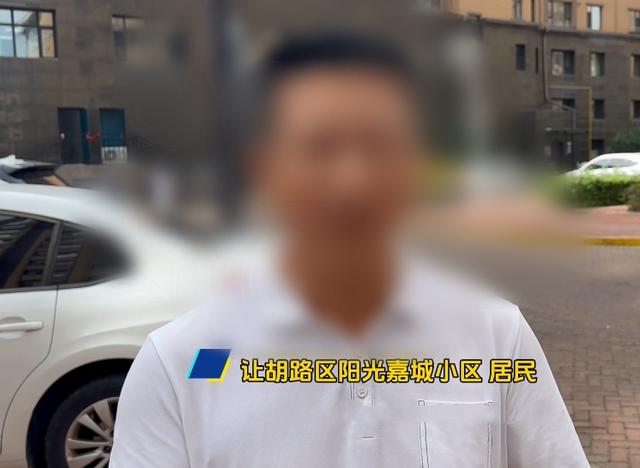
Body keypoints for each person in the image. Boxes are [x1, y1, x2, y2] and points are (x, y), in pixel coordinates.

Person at [110, 33, 589, 467]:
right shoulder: (183, 365)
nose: (352, 183)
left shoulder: (495, 336)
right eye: (319, 147)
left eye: (380, 146)